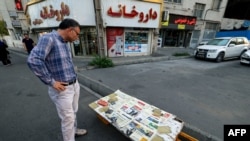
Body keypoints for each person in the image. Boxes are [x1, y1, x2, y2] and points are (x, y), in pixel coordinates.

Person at [27, 18, 87, 141]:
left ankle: (73, 131)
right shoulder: (49, 38)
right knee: (68, 118)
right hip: (62, 89)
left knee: (73, 112)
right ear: (70, 30)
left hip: (74, 85)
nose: (77, 37)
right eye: (77, 34)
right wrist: (51, 82)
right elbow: (33, 60)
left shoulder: (64, 42)